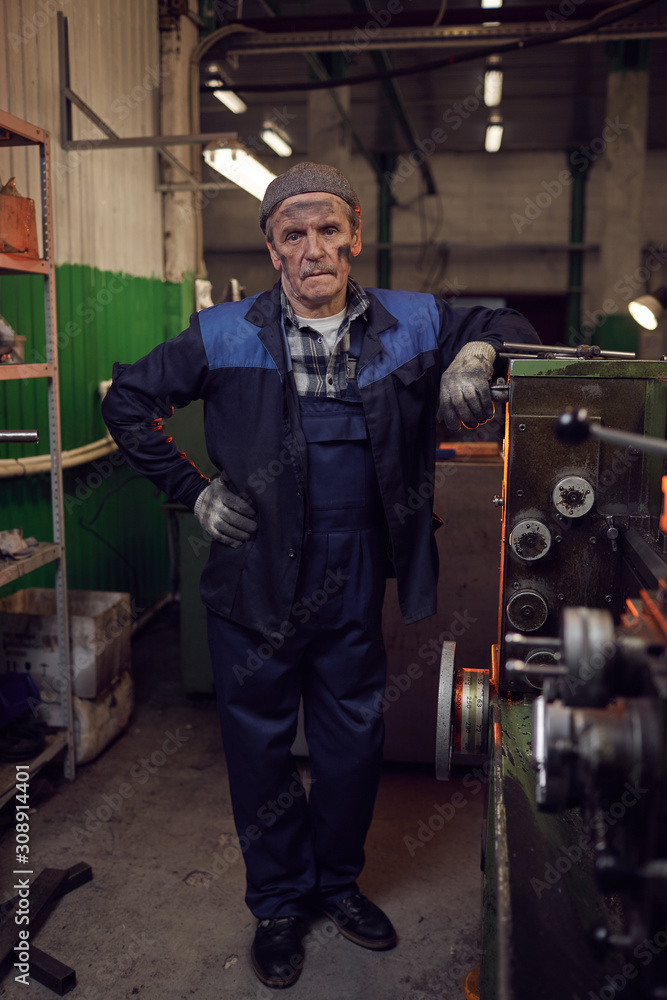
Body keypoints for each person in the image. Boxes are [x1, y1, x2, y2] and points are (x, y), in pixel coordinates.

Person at [101, 161, 538, 990]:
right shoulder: (221, 332)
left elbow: (507, 318)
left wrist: (473, 354)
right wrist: (193, 494)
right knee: (259, 750)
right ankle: (276, 903)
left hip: (354, 569)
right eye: (293, 235)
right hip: (251, 577)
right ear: (272, 250)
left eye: (328, 231)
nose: (314, 249)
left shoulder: (413, 322)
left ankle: (335, 885)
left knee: (349, 744)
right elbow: (126, 401)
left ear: (355, 237)